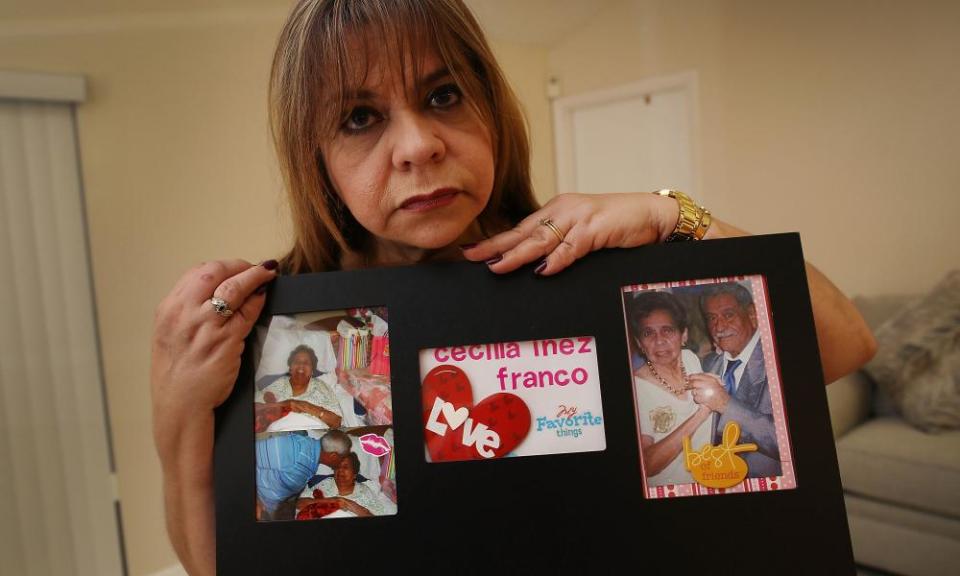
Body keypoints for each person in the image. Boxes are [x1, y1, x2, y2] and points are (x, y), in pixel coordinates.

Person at [150, 1, 876, 573]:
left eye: (442, 95)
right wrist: (179, 406)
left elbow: (844, 345)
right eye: (360, 117)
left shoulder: (583, 274)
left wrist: (671, 212)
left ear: (491, 111)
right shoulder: (301, 337)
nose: (418, 145)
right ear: (319, 159)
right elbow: (233, 564)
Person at [629, 291, 718, 486]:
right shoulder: (637, 389)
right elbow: (647, 464)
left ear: (683, 334)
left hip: (711, 478)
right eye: (648, 333)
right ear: (639, 343)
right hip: (671, 489)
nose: (659, 341)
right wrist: (703, 413)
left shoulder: (690, 359)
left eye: (667, 330)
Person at [693, 283, 781, 477]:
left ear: (752, 314)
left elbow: (788, 441)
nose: (719, 327)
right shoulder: (706, 365)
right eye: (712, 318)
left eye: (728, 315)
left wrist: (726, 404)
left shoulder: (777, 362)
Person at [255, 344, 343, 430]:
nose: (301, 365)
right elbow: (257, 409)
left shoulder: (322, 388)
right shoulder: (275, 384)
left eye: (306, 362)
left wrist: (308, 407)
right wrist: (285, 404)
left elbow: (337, 422)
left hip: (311, 433)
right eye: (297, 362)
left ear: (312, 370)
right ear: (290, 368)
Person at [296, 452, 385, 518]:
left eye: (345, 467)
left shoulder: (365, 491)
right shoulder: (324, 484)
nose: (340, 470)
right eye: (337, 467)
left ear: (354, 474)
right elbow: (299, 503)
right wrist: (333, 501)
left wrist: (350, 505)